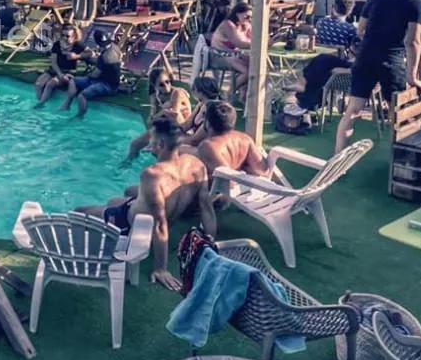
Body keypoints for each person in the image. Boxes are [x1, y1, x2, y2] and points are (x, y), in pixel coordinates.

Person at [76, 117, 216, 290]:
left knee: (80, 211)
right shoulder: (196, 165)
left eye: (152, 140)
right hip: (145, 212)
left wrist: (161, 268)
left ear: (161, 144)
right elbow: (206, 207)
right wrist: (210, 243)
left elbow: (159, 224)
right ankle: (117, 208)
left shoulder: (153, 175)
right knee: (118, 198)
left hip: (129, 225)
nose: (149, 144)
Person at [336, 0, 421, 153]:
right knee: (398, 112)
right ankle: (399, 158)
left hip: (366, 57)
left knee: (353, 110)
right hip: (391, 60)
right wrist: (412, 77)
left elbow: (360, 29)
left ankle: (337, 157)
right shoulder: (417, 3)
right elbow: (413, 41)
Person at [196, 101, 276, 195]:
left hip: (225, 193)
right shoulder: (245, 139)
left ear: (208, 123)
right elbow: (263, 170)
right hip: (244, 188)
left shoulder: (208, 146)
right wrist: (244, 168)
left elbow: (228, 181)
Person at [125, 67, 194, 161]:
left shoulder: (177, 93)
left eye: (167, 82)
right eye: (161, 84)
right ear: (154, 86)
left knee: (167, 105)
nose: (166, 86)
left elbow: (174, 115)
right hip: (165, 127)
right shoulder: (155, 95)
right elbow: (150, 121)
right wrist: (161, 114)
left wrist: (162, 112)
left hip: (181, 128)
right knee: (134, 144)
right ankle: (126, 165)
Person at [61, 36, 123, 118]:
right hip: (105, 81)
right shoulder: (115, 48)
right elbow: (120, 57)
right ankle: (66, 105)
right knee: (73, 80)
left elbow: (95, 75)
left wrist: (87, 75)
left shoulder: (104, 57)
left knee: (82, 96)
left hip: (108, 86)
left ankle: (79, 116)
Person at [210, 2, 253, 101]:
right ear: (237, 13)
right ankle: (229, 94)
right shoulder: (228, 25)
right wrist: (259, 44)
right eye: (247, 16)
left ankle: (243, 97)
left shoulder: (245, 25)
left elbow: (253, 38)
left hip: (232, 55)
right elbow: (239, 43)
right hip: (218, 56)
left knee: (253, 66)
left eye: (251, 17)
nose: (249, 19)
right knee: (247, 72)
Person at [35, 25, 87, 106]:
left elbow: (91, 53)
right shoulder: (57, 45)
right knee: (39, 83)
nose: (64, 38)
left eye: (67, 36)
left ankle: (41, 104)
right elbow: (54, 62)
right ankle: (40, 102)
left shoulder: (78, 45)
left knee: (51, 83)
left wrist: (77, 56)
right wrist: (59, 74)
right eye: (63, 35)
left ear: (74, 36)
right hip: (55, 70)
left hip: (68, 72)